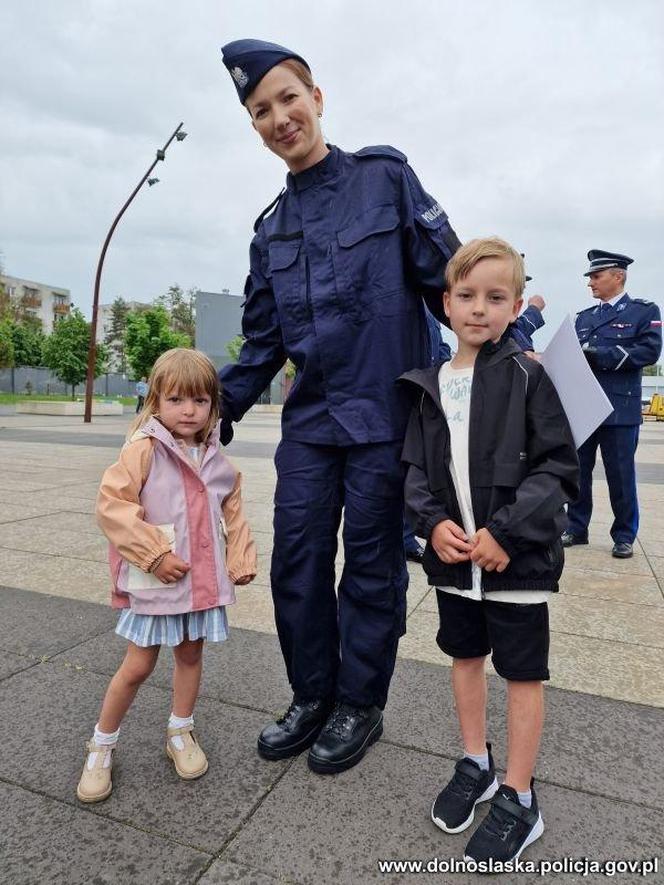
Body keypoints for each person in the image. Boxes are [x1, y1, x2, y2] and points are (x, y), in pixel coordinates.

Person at [218, 39, 461, 773]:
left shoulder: (384, 180)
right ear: (255, 127)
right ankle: (311, 693)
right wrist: (202, 409)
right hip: (314, 423)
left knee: (371, 566)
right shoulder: (270, 231)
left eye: (288, 98)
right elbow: (261, 345)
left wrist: (511, 353)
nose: (279, 117)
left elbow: (448, 282)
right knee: (295, 557)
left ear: (316, 98)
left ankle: (360, 701)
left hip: (388, 417)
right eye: (261, 111)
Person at [400, 238, 578, 864]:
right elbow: (416, 471)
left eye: (496, 297)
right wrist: (431, 524)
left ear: (515, 305)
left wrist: (506, 530)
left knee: (523, 674)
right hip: (455, 564)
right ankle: (475, 760)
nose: (480, 309)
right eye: (467, 296)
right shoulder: (428, 385)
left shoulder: (531, 376)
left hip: (518, 561)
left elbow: (557, 467)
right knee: (465, 657)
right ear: (446, 304)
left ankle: (520, 795)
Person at [76, 349, 257, 803]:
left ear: (213, 405)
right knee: (137, 665)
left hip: (198, 587)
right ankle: (101, 744)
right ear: (155, 400)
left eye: (199, 400)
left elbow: (233, 512)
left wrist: (240, 557)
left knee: (190, 656)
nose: (188, 410)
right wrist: (153, 555)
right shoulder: (142, 450)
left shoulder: (218, 460)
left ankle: (180, 730)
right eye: (176, 399)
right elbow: (112, 508)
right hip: (157, 585)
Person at [562, 250, 662, 558]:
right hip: (584, 407)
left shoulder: (643, 312)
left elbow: (649, 351)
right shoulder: (583, 318)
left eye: (596, 276)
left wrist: (601, 356)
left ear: (617, 276)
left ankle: (623, 535)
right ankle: (576, 528)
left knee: (621, 474)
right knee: (577, 472)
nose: (590, 283)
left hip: (619, 408)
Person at [404, 308, 451, 563]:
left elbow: (440, 349)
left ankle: (408, 537)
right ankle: (404, 539)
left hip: (427, 399)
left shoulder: (430, 314)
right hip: (405, 400)